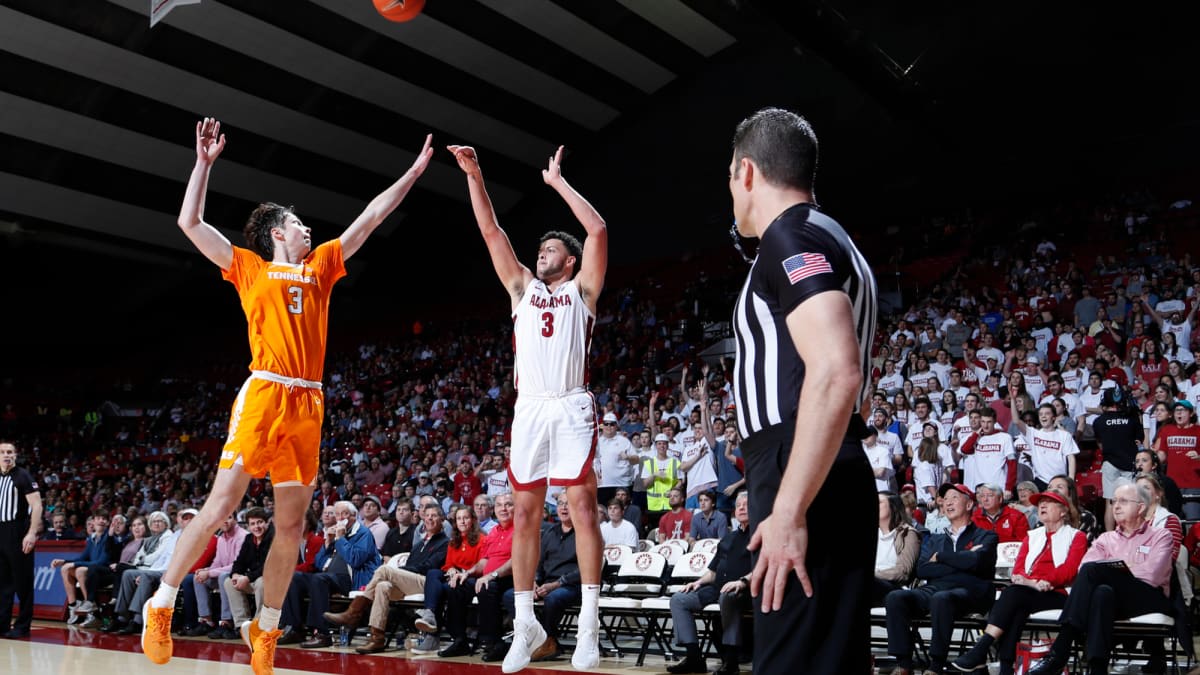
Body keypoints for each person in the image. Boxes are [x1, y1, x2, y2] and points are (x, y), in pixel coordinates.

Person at [141, 118, 433, 674]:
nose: (307, 228)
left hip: (308, 403)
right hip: (265, 393)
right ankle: (162, 603)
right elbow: (189, 222)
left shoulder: (321, 267)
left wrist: (413, 174)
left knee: (293, 527)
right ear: (278, 232)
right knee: (220, 506)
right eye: (298, 223)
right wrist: (202, 164)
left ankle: (267, 627)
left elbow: (371, 216)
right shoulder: (249, 268)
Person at [726, 108, 878, 673]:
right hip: (828, 461)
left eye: (729, 178)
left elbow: (837, 370)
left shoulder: (789, 235)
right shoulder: (835, 237)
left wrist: (789, 507)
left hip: (799, 468)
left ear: (746, 172)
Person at [447, 140, 606, 672]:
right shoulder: (521, 288)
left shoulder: (583, 290)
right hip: (531, 407)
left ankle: (589, 624)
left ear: (571, 260)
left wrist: (557, 184)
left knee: (582, 507)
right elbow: (491, 230)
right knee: (524, 516)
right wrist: (474, 177)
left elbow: (598, 230)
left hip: (571, 403)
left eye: (552, 249)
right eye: (540, 249)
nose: (542, 253)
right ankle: (524, 623)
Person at [1027, 482, 1175, 675]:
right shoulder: (1106, 539)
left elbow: (1152, 574)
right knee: (1102, 593)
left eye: (1123, 501)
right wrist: (1126, 568)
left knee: (1095, 573)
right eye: (1114, 501)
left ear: (1140, 507)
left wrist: (1112, 573)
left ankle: (1059, 651)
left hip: (1148, 598)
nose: (1116, 506)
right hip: (1115, 600)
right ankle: (1097, 668)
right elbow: (1083, 569)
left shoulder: (1161, 535)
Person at [951, 490, 1087, 674]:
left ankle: (982, 649)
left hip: (1059, 593)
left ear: (1063, 511)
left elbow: (1069, 570)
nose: (1042, 505)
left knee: (1014, 595)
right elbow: (1018, 568)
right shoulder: (1033, 535)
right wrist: (1030, 582)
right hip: (1027, 592)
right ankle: (1005, 667)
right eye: (1040, 503)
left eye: (1049, 502)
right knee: (1017, 607)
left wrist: (1042, 581)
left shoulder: (1076, 536)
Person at [884, 484, 998, 675]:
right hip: (936, 588)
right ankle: (904, 664)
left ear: (969, 504)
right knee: (896, 597)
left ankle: (936, 665)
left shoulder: (986, 536)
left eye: (954, 497)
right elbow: (922, 569)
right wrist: (962, 560)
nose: (948, 503)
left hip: (971, 590)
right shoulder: (936, 539)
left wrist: (941, 557)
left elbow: (976, 562)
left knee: (942, 598)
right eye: (945, 499)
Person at [324, 503, 450, 655]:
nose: (429, 518)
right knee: (382, 586)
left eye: (434, 515)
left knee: (385, 570)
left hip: (429, 585)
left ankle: (354, 612)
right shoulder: (419, 544)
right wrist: (400, 572)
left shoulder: (445, 542)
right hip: (410, 583)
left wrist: (398, 572)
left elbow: (429, 567)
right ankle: (377, 638)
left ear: (442, 520)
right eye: (427, 515)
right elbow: (410, 565)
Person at [666, 491, 754, 675]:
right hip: (717, 588)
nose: (741, 508)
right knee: (679, 599)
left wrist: (742, 581)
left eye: (746, 505)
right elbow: (713, 572)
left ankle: (731, 662)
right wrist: (698, 582)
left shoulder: (760, 535)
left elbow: (763, 566)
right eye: (738, 506)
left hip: (745, 589)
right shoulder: (728, 538)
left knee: (727, 597)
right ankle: (694, 658)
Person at [280, 500, 379, 648]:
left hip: (353, 580)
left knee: (319, 579)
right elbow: (319, 564)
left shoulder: (363, 533)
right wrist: (327, 543)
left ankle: (322, 633)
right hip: (330, 577)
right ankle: (294, 628)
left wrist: (340, 539)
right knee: (294, 578)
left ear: (354, 515)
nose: (340, 518)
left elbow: (356, 560)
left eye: (344, 514)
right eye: (337, 514)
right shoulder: (336, 534)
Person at [502, 494, 583, 663]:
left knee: (554, 598)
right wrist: (533, 582)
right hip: (546, 584)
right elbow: (538, 562)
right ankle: (536, 637)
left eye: (568, 504)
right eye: (560, 503)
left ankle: (548, 640)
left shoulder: (584, 533)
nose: (563, 507)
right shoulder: (549, 532)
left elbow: (584, 570)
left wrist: (557, 584)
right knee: (511, 595)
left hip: (572, 585)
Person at [437, 492, 515, 662]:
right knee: (457, 585)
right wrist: (467, 573)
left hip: (510, 578)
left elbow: (516, 560)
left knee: (487, 587)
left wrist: (492, 575)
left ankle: (493, 642)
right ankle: (459, 639)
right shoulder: (494, 532)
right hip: (488, 578)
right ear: (494, 509)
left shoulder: (519, 530)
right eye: (499, 505)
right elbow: (484, 561)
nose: (503, 508)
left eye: (508, 504)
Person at [0, 442, 42, 639]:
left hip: (18, 531)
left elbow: (37, 505)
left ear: (15, 455)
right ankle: (2, 624)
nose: (6, 455)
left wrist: (32, 533)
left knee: (23, 582)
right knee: (2, 582)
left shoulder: (23, 476)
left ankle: (23, 626)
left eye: (9, 452)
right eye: (2, 452)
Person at [187, 512, 247, 638]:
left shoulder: (243, 536)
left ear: (235, 520)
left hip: (241, 576)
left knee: (223, 577)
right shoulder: (221, 539)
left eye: (229, 517)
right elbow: (217, 563)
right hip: (224, 574)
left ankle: (226, 621)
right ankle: (207, 620)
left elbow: (236, 566)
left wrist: (209, 572)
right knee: (198, 578)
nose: (225, 521)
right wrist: (205, 570)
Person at [1094, 386, 1144, 530]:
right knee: (1131, 501)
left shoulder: (1099, 421)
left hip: (1109, 463)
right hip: (1130, 463)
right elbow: (1139, 440)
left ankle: (1110, 536)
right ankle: (1131, 533)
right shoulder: (1132, 419)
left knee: (1110, 502)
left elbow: (1100, 444)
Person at [872, 492, 920, 607]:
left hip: (893, 586)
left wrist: (874, 574)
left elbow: (903, 572)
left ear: (893, 506)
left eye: (879, 502)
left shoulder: (908, 534)